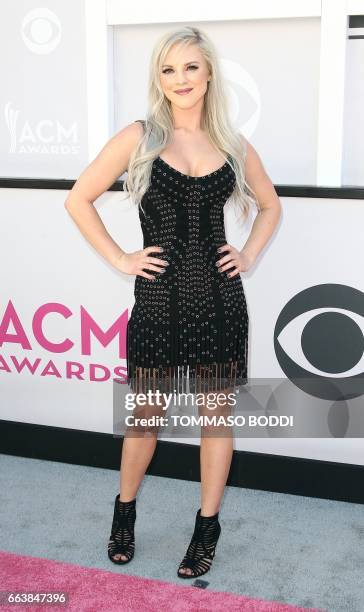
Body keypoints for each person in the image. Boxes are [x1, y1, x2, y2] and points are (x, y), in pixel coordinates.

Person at [65, 25, 281, 579]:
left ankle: (206, 527)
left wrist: (249, 254)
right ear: (158, 80)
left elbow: (270, 206)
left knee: (216, 417)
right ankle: (124, 512)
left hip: (219, 299)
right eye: (168, 70)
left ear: (209, 73)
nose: (180, 79)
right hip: (158, 299)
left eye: (190, 67)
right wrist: (120, 259)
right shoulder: (139, 136)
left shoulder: (233, 142)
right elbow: (79, 198)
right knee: (146, 417)